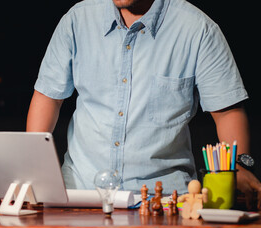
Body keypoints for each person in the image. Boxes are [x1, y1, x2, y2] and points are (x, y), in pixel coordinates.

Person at [27, 0, 261, 209]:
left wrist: (239, 164)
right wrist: (34, 165)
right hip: (81, 195)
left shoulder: (198, 29)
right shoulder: (77, 20)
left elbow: (227, 111)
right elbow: (49, 97)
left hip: (166, 200)